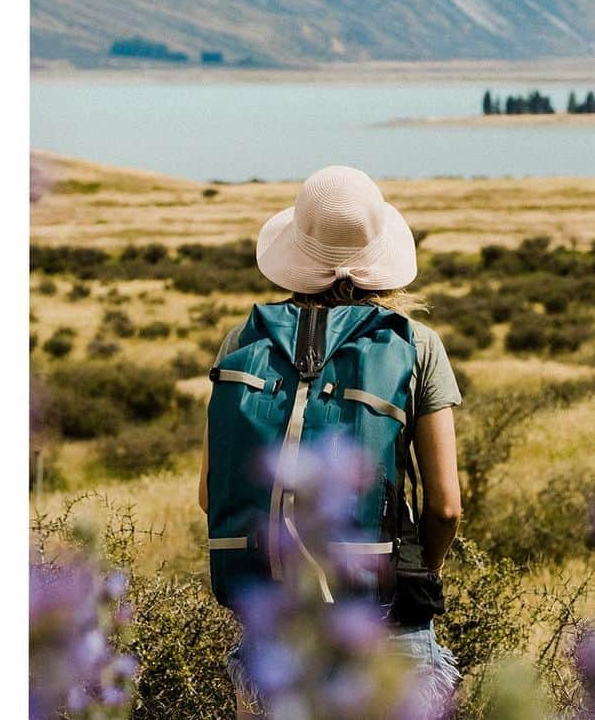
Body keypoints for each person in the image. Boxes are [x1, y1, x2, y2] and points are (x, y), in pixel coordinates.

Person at [198, 165, 463, 719]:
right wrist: (419, 576)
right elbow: (445, 506)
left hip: (277, 624)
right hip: (386, 619)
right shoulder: (417, 345)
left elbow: (209, 493)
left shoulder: (241, 341)